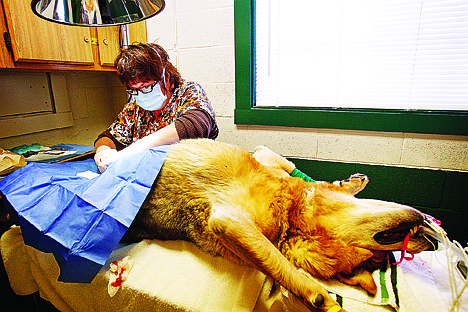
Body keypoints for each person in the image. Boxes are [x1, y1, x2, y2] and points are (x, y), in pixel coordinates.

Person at [94, 43, 219, 172]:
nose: (141, 93)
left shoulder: (187, 92)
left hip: (189, 176)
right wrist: (103, 152)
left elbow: (197, 124)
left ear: (167, 77)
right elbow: (108, 137)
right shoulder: (135, 108)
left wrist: (132, 151)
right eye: (134, 89)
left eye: (146, 86)